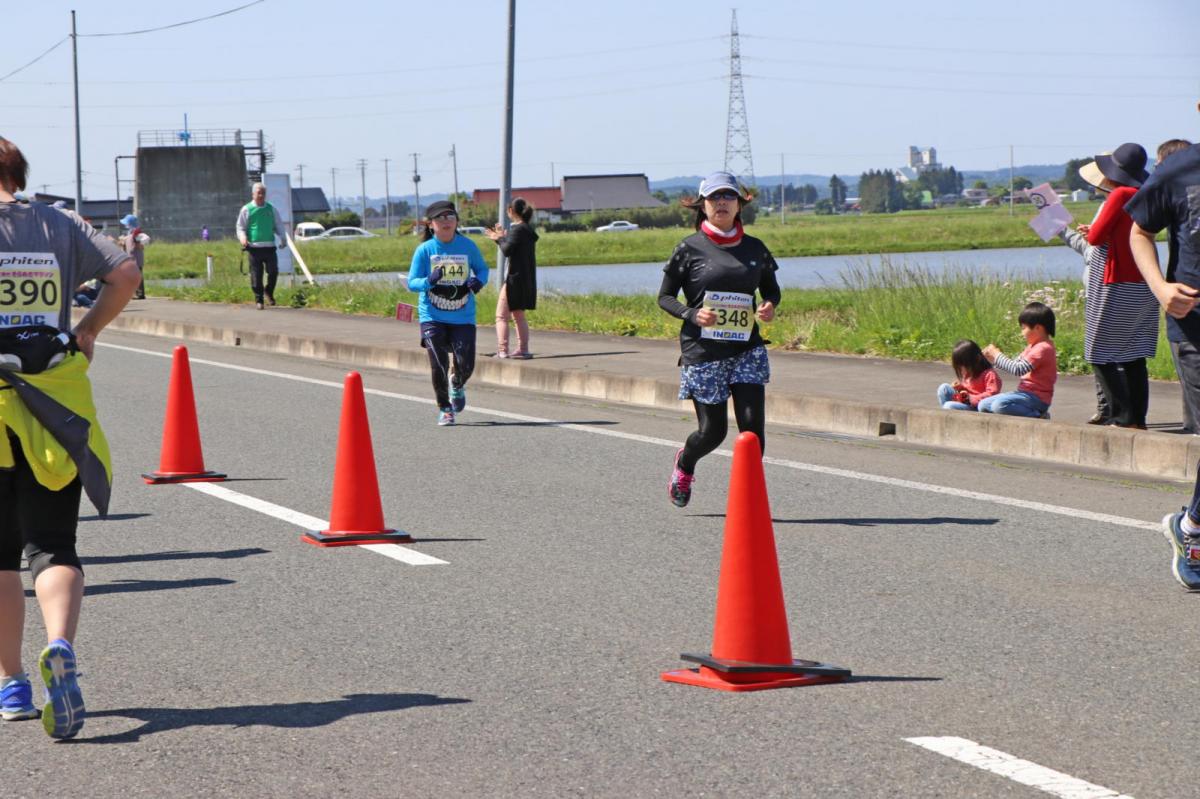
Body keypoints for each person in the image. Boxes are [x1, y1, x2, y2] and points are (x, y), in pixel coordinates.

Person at [0, 136, 140, 738]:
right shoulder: (59, 225)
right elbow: (126, 271)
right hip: (51, 403)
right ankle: (61, 646)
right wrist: (87, 330)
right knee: (53, 544)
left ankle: (11, 686)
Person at [659, 171, 781, 508]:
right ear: (703, 205)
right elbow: (665, 297)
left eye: (729, 197)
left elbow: (770, 289)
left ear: (740, 205)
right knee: (713, 432)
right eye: (714, 198)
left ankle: (748, 499)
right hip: (704, 350)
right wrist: (692, 315)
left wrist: (770, 306)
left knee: (753, 432)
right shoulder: (689, 248)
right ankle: (685, 464)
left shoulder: (755, 248)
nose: (722, 203)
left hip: (747, 349)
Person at [1126, 115, 1200, 589]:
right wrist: (1159, 288)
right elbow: (1138, 232)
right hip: (1193, 324)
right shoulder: (1178, 169)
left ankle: (1190, 525)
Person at [1076, 144, 1158, 429]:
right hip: (1144, 282)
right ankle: (1137, 419)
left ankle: (1122, 418)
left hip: (1115, 282)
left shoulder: (1120, 194)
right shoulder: (1145, 194)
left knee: (1098, 352)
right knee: (1134, 354)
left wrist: (1091, 231)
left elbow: (1097, 238)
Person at [405, 200, 488, 426]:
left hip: (463, 315)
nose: (446, 221)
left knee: (466, 364)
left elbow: (482, 269)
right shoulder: (424, 250)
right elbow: (411, 283)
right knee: (438, 363)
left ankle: (458, 384)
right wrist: (428, 281)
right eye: (440, 218)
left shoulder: (468, 246)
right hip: (432, 315)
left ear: (456, 222)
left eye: (450, 216)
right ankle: (445, 408)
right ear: (431, 225)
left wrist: (478, 281)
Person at [1154, 138, 1195, 433]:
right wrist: (1160, 286)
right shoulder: (1172, 187)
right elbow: (1138, 233)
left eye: (1158, 165)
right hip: (1183, 308)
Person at [979, 302, 1057, 418]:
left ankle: (1037, 416)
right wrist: (993, 360)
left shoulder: (1043, 348)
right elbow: (1014, 364)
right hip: (1024, 394)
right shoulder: (1032, 347)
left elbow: (1018, 369)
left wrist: (996, 354)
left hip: (1037, 398)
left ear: (1037, 328)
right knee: (983, 405)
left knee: (999, 406)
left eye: (1024, 328)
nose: (1022, 333)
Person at [485, 197, 538, 359]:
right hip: (525, 279)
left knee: (501, 316)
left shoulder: (518, 229)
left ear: (510, 211)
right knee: (518, 315)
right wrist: (500, 238)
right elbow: (510, 248)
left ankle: (503, 350)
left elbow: (507, 250)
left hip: (514, 280)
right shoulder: (527, 230)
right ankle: (523, 349)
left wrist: (499, 238)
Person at [235, 182, 288, 310]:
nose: (261, 195)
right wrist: (243, 238)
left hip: (269, 246)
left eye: (263, 193)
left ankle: (269, 292)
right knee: (256, 275)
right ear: (253, 194)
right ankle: (259, 299)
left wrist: (283, 238)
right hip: (254, 248)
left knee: (273, 272)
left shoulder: (271, 209)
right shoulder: (247, 209)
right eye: (258, 193)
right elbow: (240, 227)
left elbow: (279, 225)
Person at [936, 339, 1001, 411]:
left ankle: (948, 414)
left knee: (949, 406)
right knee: (944, 388)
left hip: (976, 407)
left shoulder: (989, 375)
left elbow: (992, 395)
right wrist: (960, 387)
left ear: (976, 360)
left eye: (963, 366)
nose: (961, 370)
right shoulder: (968, 373)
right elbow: (967, 389)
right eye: (959, 367)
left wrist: (970, 398)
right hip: (965, 402)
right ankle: (948, 414)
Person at [120, 213, 146, 300]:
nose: (125, 225)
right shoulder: (130, 233)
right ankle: (135, 293)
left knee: (137, 276)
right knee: (132, 276)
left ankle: (140, 294)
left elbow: (141, 246)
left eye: (126, 223)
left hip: (136, 258)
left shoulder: (137, 233)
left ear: (129, 224)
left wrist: (136, 242)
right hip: (131, 258)